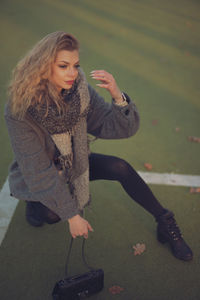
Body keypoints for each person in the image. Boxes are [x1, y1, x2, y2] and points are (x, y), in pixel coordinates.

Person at [5, 31, 192, 261]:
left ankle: (165, 221)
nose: (72, 73)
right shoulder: (20, 109)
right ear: (44, 66)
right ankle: (34, 202)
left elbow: (115, 127)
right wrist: (72, 216)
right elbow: (38, 171)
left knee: (120, 167)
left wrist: (117, 96)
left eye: (76, 65)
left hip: (74, 161)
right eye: (63, 66)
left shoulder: (79, 91)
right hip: (42, 169)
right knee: (52, 215)